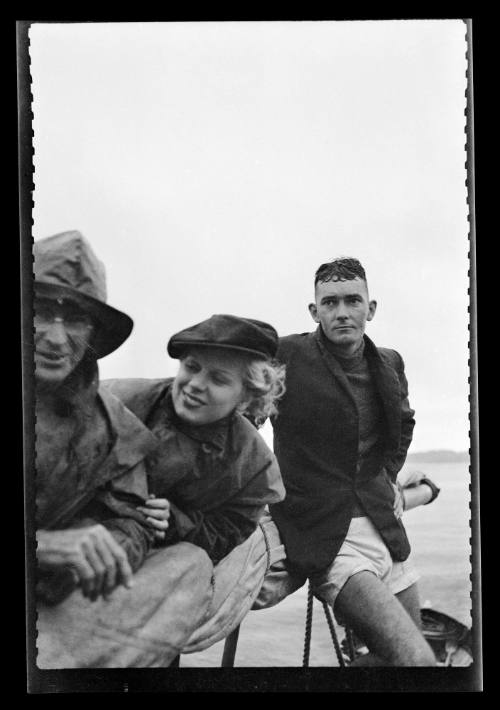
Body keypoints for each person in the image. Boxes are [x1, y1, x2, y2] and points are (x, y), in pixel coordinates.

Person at [33, 231, 214, 668]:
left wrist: (104, 547)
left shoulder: (114, 428)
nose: (57, 338)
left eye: (75, 318)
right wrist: (44, 545)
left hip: (52, 601)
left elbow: (132, 521)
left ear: (93, 331)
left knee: (190, 564)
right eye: (40, 310)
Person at [257, 257, 438, 666]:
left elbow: (403, 425)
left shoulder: (390, 362)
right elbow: (247, 417)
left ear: (370, 309)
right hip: (327, 538)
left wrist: (389, 477)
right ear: (314, 310)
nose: (342, 312)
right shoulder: (286, 354)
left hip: (385, 528)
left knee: (410, 661)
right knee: (417, 662)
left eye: (353, 301)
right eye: (330, 302)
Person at [103, 313, 287, 566]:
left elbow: (227, 532)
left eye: (219, 379)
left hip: (170, 562)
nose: (196, 384)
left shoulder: (254, 465)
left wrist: (176, 522)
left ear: (246, 395)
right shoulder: (115, 402)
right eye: (192, 367)